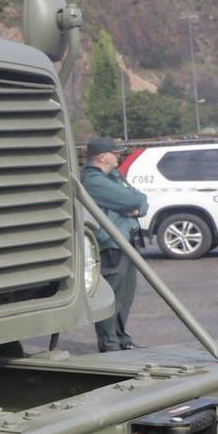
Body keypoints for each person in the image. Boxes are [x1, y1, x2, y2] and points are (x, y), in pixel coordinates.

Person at [81, 135, 148, 352]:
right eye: (115, 152)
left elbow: (141, 199)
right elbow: (133, 200)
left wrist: (136, 207)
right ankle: (109, 344)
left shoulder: (113, 176)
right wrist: (133, 205)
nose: (119, 155)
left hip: (126, 242)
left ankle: (122, 338)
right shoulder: (93, 180)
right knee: (111, 297)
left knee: (125, 296)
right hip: (110, 244)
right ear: (102, 157)